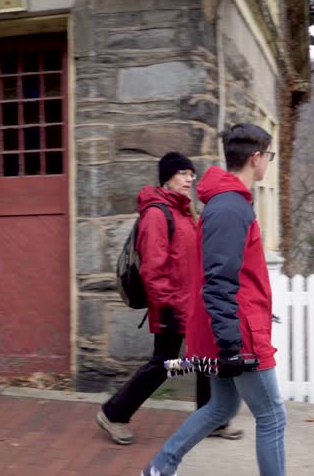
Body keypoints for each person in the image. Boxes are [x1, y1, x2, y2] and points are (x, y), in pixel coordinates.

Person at [142, 124, 286, 476]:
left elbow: (231, 275)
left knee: (220, 407)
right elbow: (219, 282)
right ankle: (160, 467)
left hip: (227, 328)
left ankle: (160, 467)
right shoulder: (231, 208)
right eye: (268, 155)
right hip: (236, 335)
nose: (268, 161)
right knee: (272, 417)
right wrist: (231, 346)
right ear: (256, 158)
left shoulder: (226, 204)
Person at [96, 152, 243, 445]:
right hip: (171, 307)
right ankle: (114, 413)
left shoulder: (183, 212)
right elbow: (153, 268)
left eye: (192, 173)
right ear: (167, 177)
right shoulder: (156, 213)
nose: (190, 178)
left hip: (192, 304)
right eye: (183, 173)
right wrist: (167, 307)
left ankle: (212, 420)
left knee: (204, 359)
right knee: (165, 364)